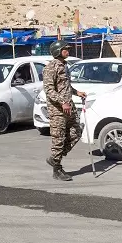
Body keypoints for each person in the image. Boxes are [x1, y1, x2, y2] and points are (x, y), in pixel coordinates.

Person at [42, 41, 87, 181]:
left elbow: (65, 86)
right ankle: (57, 169)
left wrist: (76, 92)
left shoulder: (65, 66)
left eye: (68, 49)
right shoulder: (51, 67)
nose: (68, 51)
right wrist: (62, 102)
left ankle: (54, 158)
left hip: (69, 107)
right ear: (58, 51)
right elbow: (49, 90)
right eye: (65, 49)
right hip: (57, 110)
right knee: (59, 139)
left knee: (76, 133)